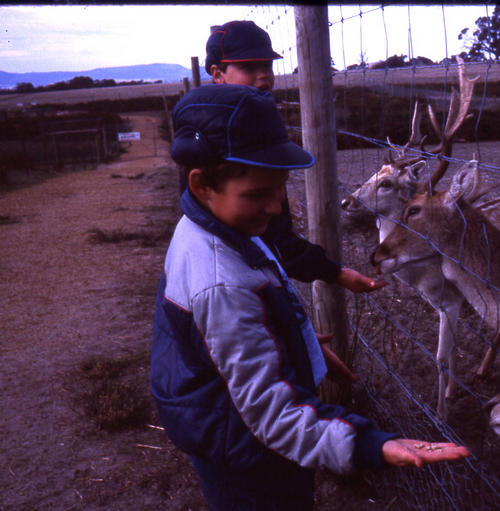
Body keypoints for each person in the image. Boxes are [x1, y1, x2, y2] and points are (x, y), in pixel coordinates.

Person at [151, 84, 470, 510]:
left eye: (280, 188)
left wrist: (302, 348)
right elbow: (271, 414)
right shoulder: (220, 280)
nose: (276, 207)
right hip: (249, 456)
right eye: (257, 194)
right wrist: (370, 445)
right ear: (202, 184)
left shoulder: (213, 229)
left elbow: (234, 337)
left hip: (224, 424)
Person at [204, 20, 381, 296]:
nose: (264, 76)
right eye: (249, 67)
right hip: (233, 286)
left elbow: (275, 236)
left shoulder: (248, 126)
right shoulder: (217, 141)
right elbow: (270, 239)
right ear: (217, 74)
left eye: (268, 66)